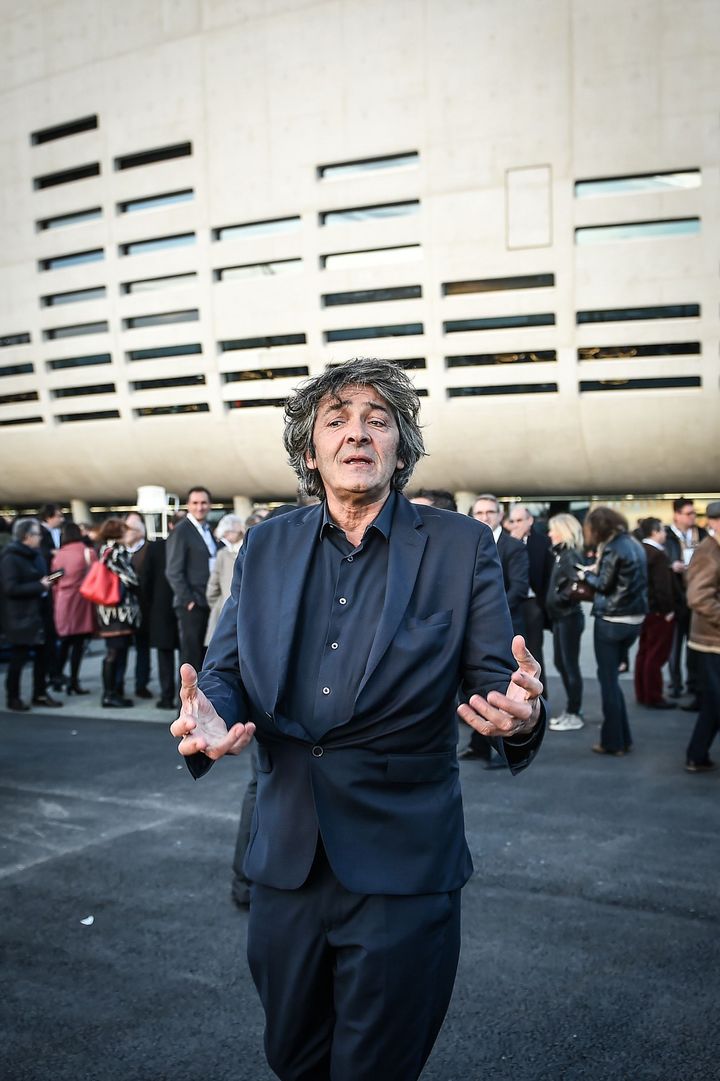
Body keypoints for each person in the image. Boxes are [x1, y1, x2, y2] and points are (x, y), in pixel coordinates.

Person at [170, 357, 545, 1081]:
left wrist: (521, 715)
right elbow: (225, 669)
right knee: (293, 1055)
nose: (357, 434)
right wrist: (210, 714)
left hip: (403, 863)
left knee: (375, 1067)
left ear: (400, 447)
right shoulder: (266, 545)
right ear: (310, 451)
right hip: (285, 861)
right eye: (336, 420)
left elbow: (504, 678)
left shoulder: (460, 546)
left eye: (378, 420)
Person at [459, 494, 530, 766]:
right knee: (473, 690)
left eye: (490, 512)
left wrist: (487, 614)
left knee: (499, 689)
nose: (485, 517)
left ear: (500, 515)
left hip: (506, 629)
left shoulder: (513, 546)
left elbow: (519, 588)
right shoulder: (465, 544)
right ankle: (478, 746)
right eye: (479, 512)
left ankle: (501, 749)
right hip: (470, 631)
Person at [580, 507, 648, 756]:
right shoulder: (633, 542)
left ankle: (613, 742)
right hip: (634, 619)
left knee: (607, 682)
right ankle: (623, 738)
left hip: (612, 620)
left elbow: (604, 586)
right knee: (613, 682)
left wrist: (584, 575)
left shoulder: (612, 548)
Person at [0, 518, 62, 711]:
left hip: (40, 613)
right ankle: (13, 697)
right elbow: (9, 588)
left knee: (43, 656)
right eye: (37, 534)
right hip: (21, 616)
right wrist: (39, 586)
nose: (40, 537)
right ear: (27, 536)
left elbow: (38, 579)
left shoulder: (36, 555)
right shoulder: (10, 557)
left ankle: (40, 693)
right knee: (19, 657)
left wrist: (50, 580)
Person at [684, 502, 720, 772]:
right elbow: (698, 597)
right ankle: (696, 755)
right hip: (711, 641)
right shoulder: (710, 551)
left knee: (714, 702)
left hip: (712, 640)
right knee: (715, 702)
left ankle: (697, 755)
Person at [165, 486, 217, 672]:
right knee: (190, 657)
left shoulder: (207, 530)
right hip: (191, 605)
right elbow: (173, 571)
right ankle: (187, 699)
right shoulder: (181, 531)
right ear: (188, 505)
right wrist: (188, 600)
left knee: (205, 655)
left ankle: (203, 698)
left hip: (206, 601)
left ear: (209, 505)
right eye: (195, 503)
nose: (200, 507)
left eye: (203, 502)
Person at [545, 513, 586, 731]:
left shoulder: (570, 556)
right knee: (562, 663)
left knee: (569, 665)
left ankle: (574, 712)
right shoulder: (562, 554)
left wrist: (560, 599)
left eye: (553, 529)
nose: (550, 533)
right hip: (562, 617)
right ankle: (572, 710)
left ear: (564, 531)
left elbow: (576, 585)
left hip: (569, 617)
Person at [95, 518, 141, 709]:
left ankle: (114, 690)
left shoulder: (104, 549)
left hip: (109, 611)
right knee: (115, 652)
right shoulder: (114, 551)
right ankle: (110, 693)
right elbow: (131, 579)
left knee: (116, 651)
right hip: (117, 612)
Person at [664, 497, 706, 703]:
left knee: (694, 644)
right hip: (675, 597)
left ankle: (693, 682)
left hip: (695, 597)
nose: (692, 517)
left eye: (694, 513)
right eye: (688, 513)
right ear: (677, 515)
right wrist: (671, 565)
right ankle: (675, 684)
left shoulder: (702, 534)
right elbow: (659, 563)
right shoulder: (667, 536)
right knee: (674, 646)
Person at [139, 513, 183, 710]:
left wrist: (148, 606)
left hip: (160, 608)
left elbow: (145, 581)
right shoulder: (187, 546)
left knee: (166, 656)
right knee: (185, 657)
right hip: (173, 608)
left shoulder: (156, 547)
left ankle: (167, 696)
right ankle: (180, 697)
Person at [507, 503, 553, 686]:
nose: (516, 524)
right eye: (513, 521)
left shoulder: (542, 542)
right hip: (512, 603)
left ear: (530, 520)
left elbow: (545, 575)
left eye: (520, 520)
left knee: (534, 654)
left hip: (533, 603)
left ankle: (542, 700)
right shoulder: (506, 542)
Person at [634, 518, 678, 710]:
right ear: (654, 532)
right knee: (656, 654)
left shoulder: (639, 550)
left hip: (643, 610)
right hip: (659, 612)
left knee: (644, 652)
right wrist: (667, 610)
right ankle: (653, 695)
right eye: (662, 530)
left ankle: (643, 692)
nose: (665, 534)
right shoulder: (658, 555)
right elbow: (662, 587)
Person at [50, 521, 97, 694]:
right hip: (82, 602)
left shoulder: (58, 555)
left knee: (63, 642)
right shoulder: (88, 552)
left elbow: (52, 578)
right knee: (78, 644)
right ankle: (74, 682)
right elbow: (95, 576)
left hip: (63, 601)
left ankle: (57, 677)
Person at [205, 514, 245, 645]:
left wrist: (217, 605)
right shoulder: (224, 553)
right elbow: (213, 586)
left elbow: (213, 586)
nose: (225, 538)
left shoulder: (223, 554)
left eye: (226, 533)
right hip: (234, 610)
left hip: (227, 610)